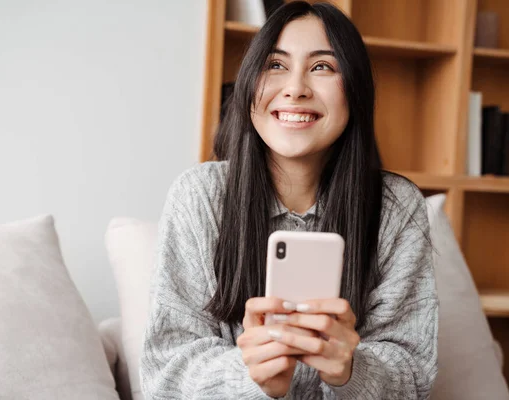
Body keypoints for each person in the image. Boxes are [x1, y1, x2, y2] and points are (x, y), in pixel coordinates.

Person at [140, 2, 438, 399]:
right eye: (276, 65)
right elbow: (165, 373)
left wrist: (351, 372)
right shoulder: (200, 196)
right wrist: (250, 379)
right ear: (249, 86)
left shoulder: (396, 207)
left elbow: (414, 373)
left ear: (356, 90)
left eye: (322, 67)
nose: (295, 88)